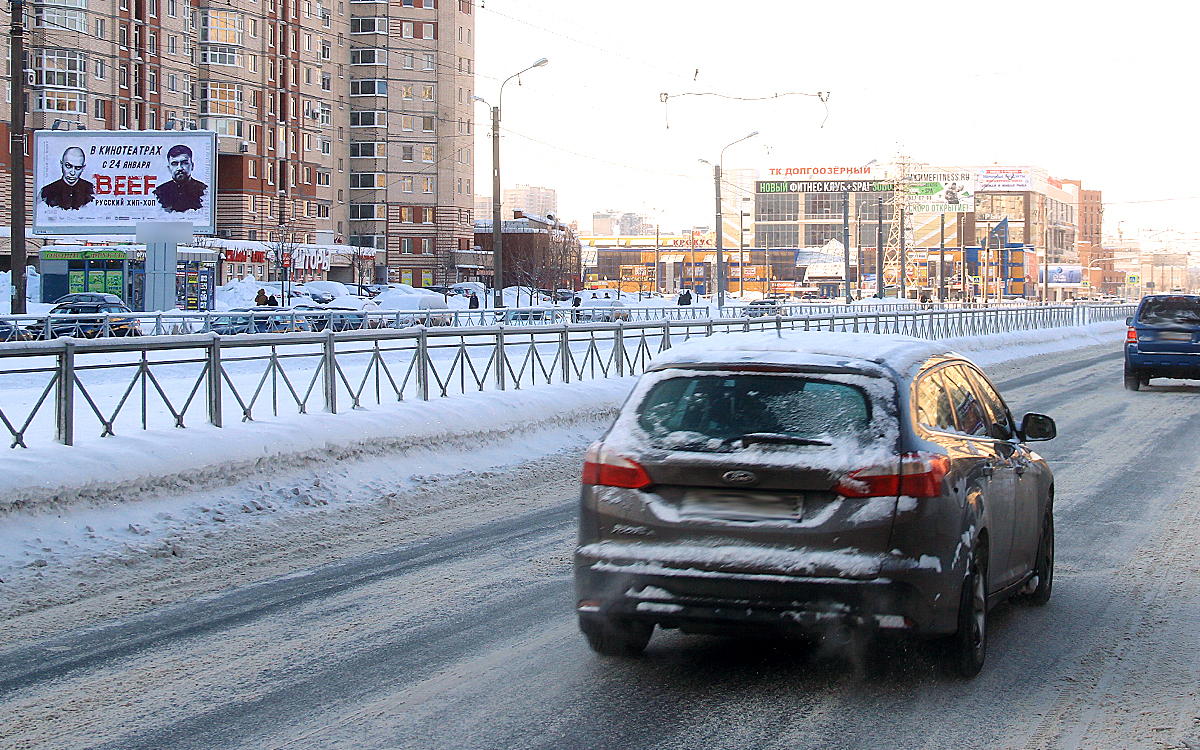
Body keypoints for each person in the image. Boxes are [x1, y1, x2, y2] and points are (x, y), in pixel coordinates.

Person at [154, 144, 208, 212]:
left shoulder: (203, 190)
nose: (180, 168)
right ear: (169, 168)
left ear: (192, 166)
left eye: (184, 163)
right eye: (174, 164)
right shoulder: (159, 192)